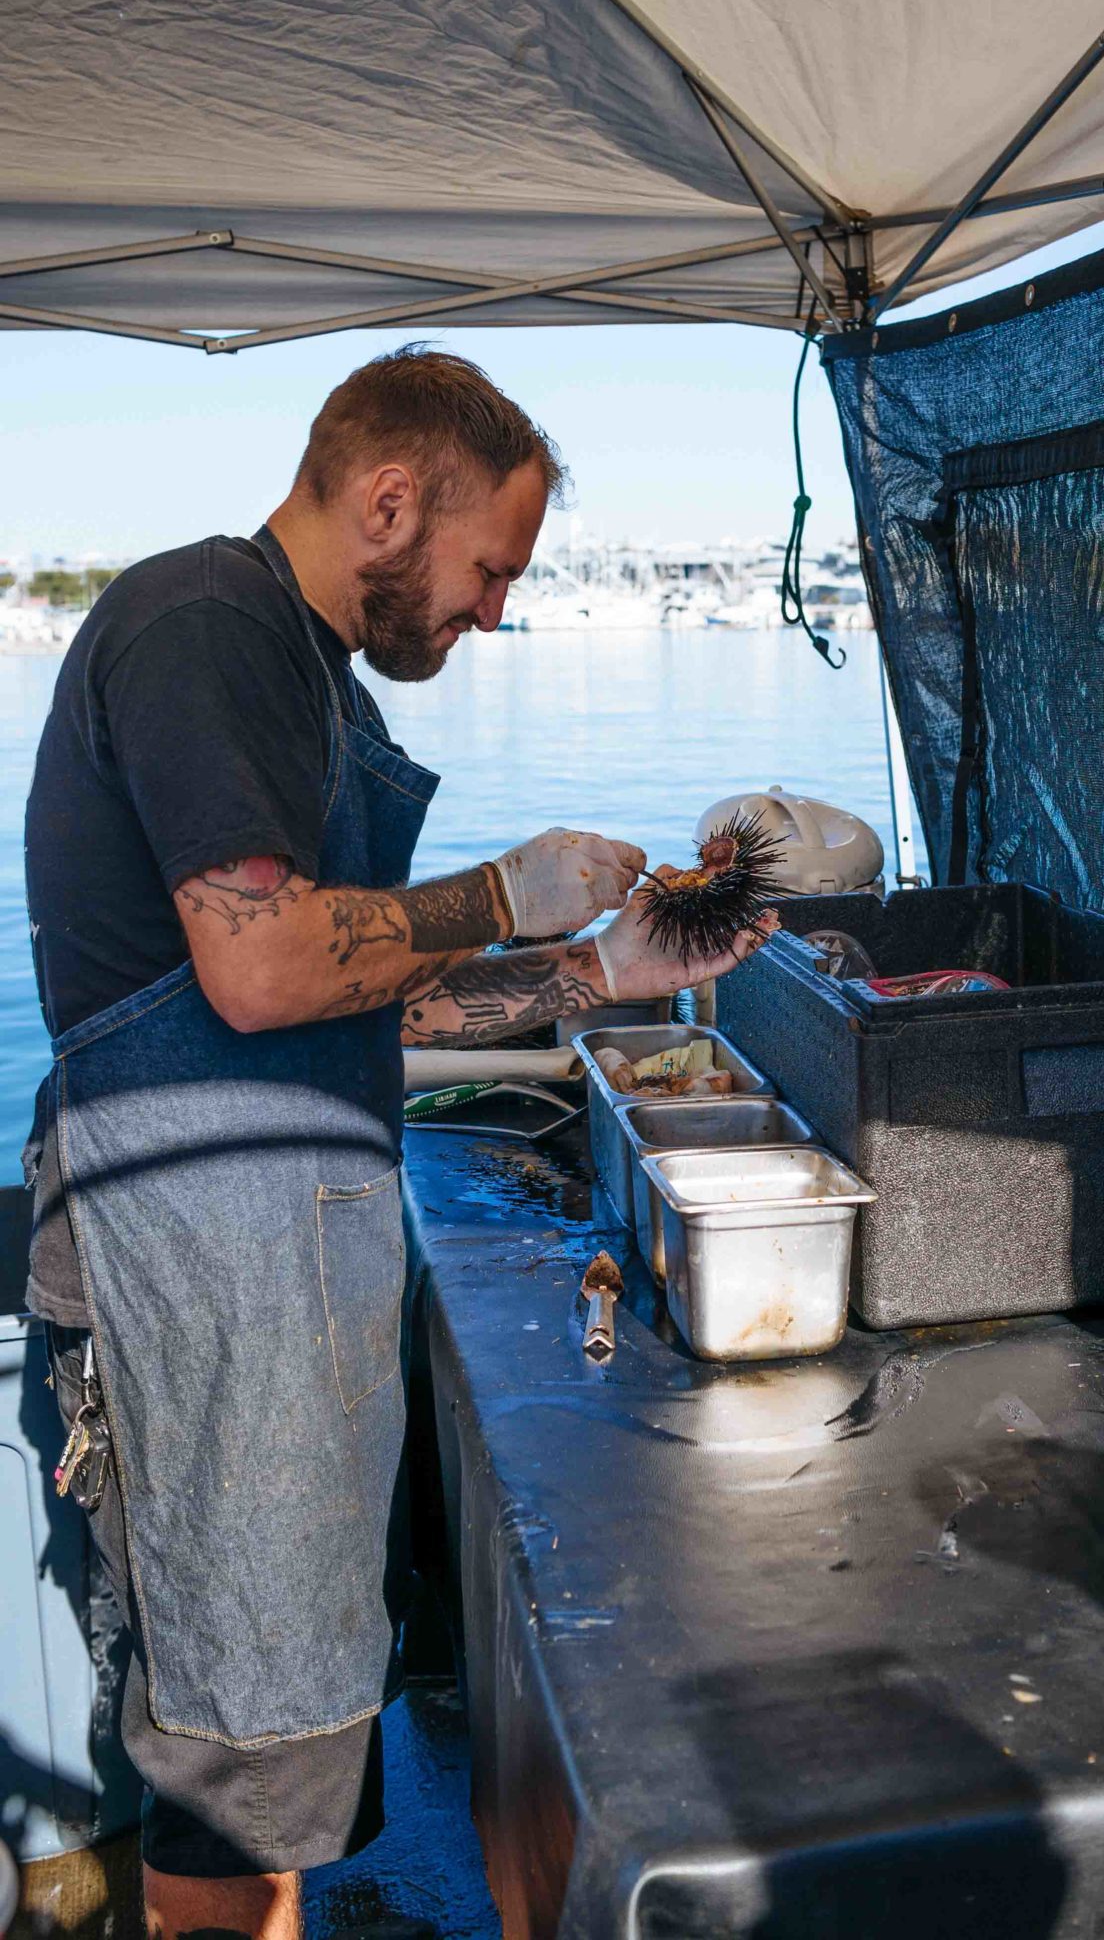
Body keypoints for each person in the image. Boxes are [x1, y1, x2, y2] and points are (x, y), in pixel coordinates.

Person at [23, 345, 777, 1938]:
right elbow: (261, 960)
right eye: (487, 567)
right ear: (387, 501)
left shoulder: (307, 678)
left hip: (275, 1276)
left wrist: (597, 974)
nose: (494, 613)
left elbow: (372, 999)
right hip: (197, 1279)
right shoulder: (203, 625)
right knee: (230, 1774)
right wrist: (506, 889)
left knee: (280, 1738)